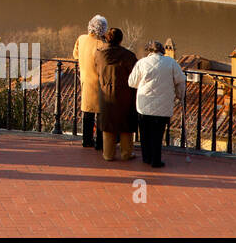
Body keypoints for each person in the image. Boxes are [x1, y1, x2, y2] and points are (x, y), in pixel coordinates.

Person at [128, 41, 186, 169]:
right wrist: (179, 96)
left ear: (149, 50)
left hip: (144, 105)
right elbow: (181, 81)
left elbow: (131, 82)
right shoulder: (171, 63)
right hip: (164, 105)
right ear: (162, 51)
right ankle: (156, 160)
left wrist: (142, 85)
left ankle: (146, 157)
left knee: (144, 133)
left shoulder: (142, 63)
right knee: (158, 134)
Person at [95, 28, 137, 162]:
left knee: (108, 124)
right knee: (126, 124)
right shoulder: (129, 56)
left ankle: (108, 154)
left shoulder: (99, 55)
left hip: (105, 91)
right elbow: (135, 74)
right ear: (120, 39)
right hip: (125, 93)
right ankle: (126, 153)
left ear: (107, 38)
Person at [73, 15, 108, 150]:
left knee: (87, 113)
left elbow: (75, 55)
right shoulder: (104, 45)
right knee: (100, 115)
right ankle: (100, 143)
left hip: (86, 82)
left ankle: (86, 140)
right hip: (100, 84)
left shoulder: (81, 39)